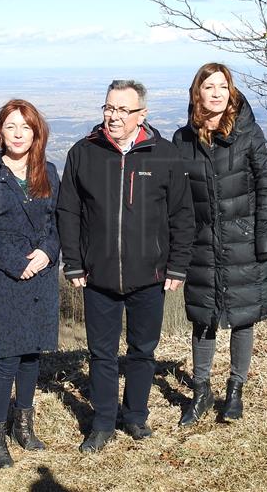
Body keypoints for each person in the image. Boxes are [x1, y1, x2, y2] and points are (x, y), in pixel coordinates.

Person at [57, 79, 195, 452]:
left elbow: (182, 215)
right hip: (96, 275)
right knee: (101, 354)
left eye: (122, 110)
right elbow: (67, 211)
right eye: (108, 108)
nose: (114, 116)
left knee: (142, 351)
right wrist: (73, 263)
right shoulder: (84, 153)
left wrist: (177, 266)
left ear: (142, 115)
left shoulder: (164, 155)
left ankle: (135, 417)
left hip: (150, 276)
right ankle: (102, 423)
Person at [172, 63, 267, 427]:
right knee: (203, 317)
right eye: (209, 86)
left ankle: (235, 389)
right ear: (197, 93)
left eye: (222, 86)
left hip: (244, 241)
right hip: (201, 242)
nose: (216, 93)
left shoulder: (248, 132)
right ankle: (201, 392)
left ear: (230, 91)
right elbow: (174, 199)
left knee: (242, 316)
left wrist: (265, 239)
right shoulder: (182, 139)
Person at [0, 99, 60, 469]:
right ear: (0, 132)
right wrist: (13, 262)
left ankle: (23, 425)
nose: (18, 133)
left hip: (41, 277)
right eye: (11, 126)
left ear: (36, 132)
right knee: (5, 359)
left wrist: (48, 252)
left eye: (26, 126)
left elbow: (60, 222)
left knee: (31, 356)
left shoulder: (48, 171)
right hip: (5, 279)